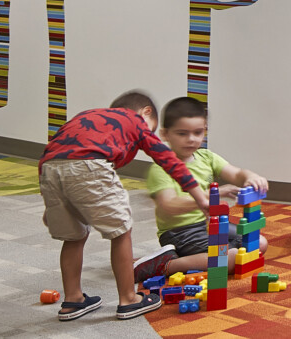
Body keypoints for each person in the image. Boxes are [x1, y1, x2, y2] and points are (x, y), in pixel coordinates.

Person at [38, 89, 207, 321]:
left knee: (74, 236)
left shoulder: (88, 116)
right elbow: (167, 159)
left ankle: (73, 300)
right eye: (153, 128)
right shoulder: (136, 120)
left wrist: (50, 202)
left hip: (50, 169)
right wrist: (199, 197)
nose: (149, 134)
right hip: (90, 165)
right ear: (146, 112)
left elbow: (54, 152)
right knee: (121, 230)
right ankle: (129, 298)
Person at [145, 96, 270, 276]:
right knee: (230, 258)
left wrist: (251, 176)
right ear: (165, 134)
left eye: (197, 132)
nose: (191, 139)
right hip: (179, 233)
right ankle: (167, 265)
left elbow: (236, 174)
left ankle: (207, 255)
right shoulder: (160, 168)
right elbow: (169, 205)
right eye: (182, 133)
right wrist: (213, 196)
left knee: (258, 243)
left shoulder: (206, 157)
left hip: (208, 225)